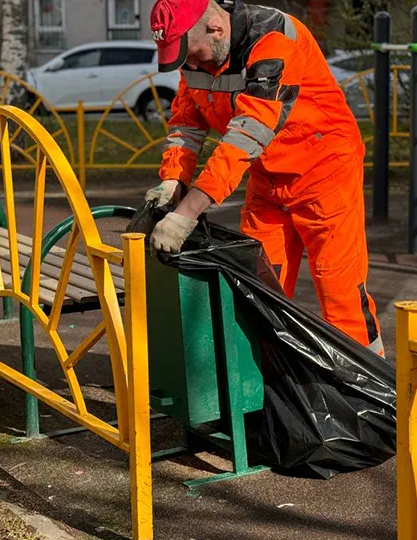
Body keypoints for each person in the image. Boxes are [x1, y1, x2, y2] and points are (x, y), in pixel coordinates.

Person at [144, 0, 383, 354]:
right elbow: (186, 122)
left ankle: (370, 389)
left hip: (323, 171)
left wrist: (186, 213)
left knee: (340, 290)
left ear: (217, 28)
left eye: (193, 55)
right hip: (266, 177)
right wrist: (173, 180)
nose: (190, 66)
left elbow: (246, 135)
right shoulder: (198, 54)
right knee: (258, 288)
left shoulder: (273, 39)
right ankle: (268, 391)